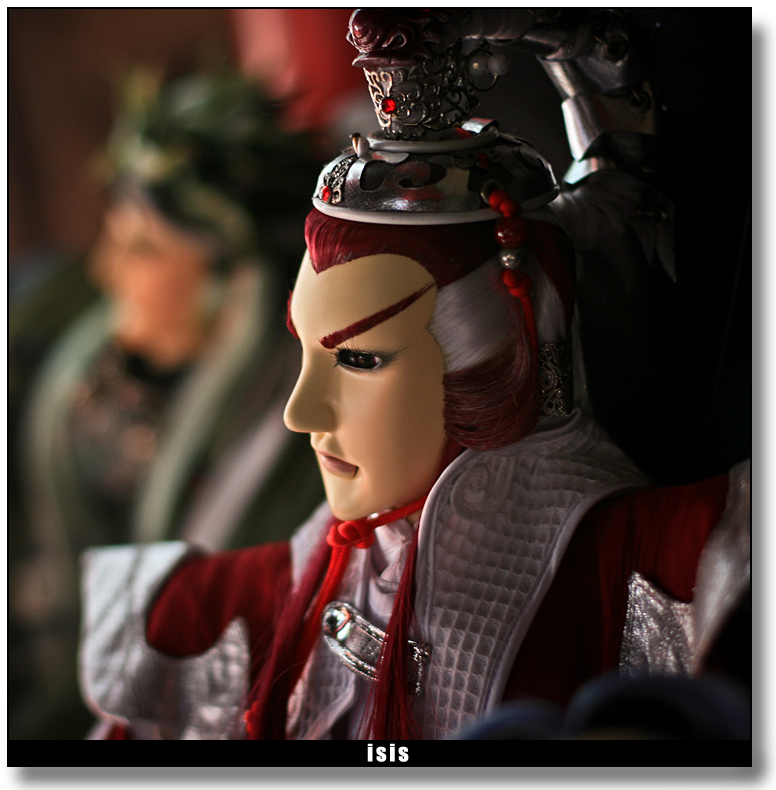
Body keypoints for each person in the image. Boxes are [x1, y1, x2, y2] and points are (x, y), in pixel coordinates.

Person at [78, 10, 749, 741]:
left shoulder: (657, 566)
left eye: (359, 358)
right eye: (307, 351)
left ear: (497, 357)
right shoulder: (235, 606)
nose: (301, 412)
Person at [9, 67, 326, 739]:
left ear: (234, 284)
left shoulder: (299, 432)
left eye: (142, 249)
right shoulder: (92, 376)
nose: (104, 270)